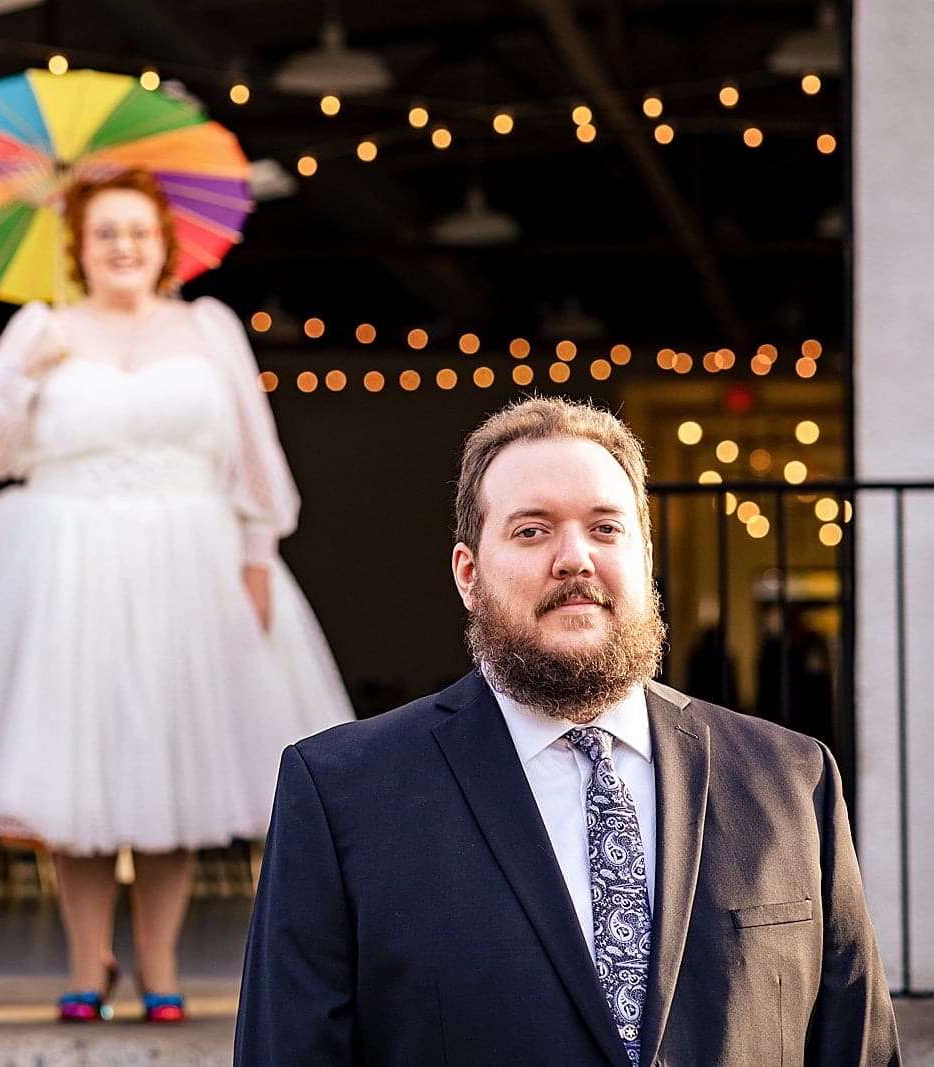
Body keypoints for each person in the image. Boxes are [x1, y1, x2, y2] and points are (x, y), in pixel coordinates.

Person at [236, 396, 898, 1065]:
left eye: (606, 528)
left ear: (645, 556)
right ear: (468, 575)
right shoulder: (342, 795)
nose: (575, 558)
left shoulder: (792, 780)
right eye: (532, 531)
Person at [0, 169, 352, 1023]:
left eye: (139, 230)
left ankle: (160, 964)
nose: (124, 246)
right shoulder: (42, 326)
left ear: (165, 243)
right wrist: (22, 369)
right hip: (68, 566)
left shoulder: (209, 328)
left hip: (191, 564)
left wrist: (256, 554)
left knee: (178, 769)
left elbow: (255, 450)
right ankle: (84, 964)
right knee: (72, 775)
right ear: (78, 247)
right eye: (106, 232)